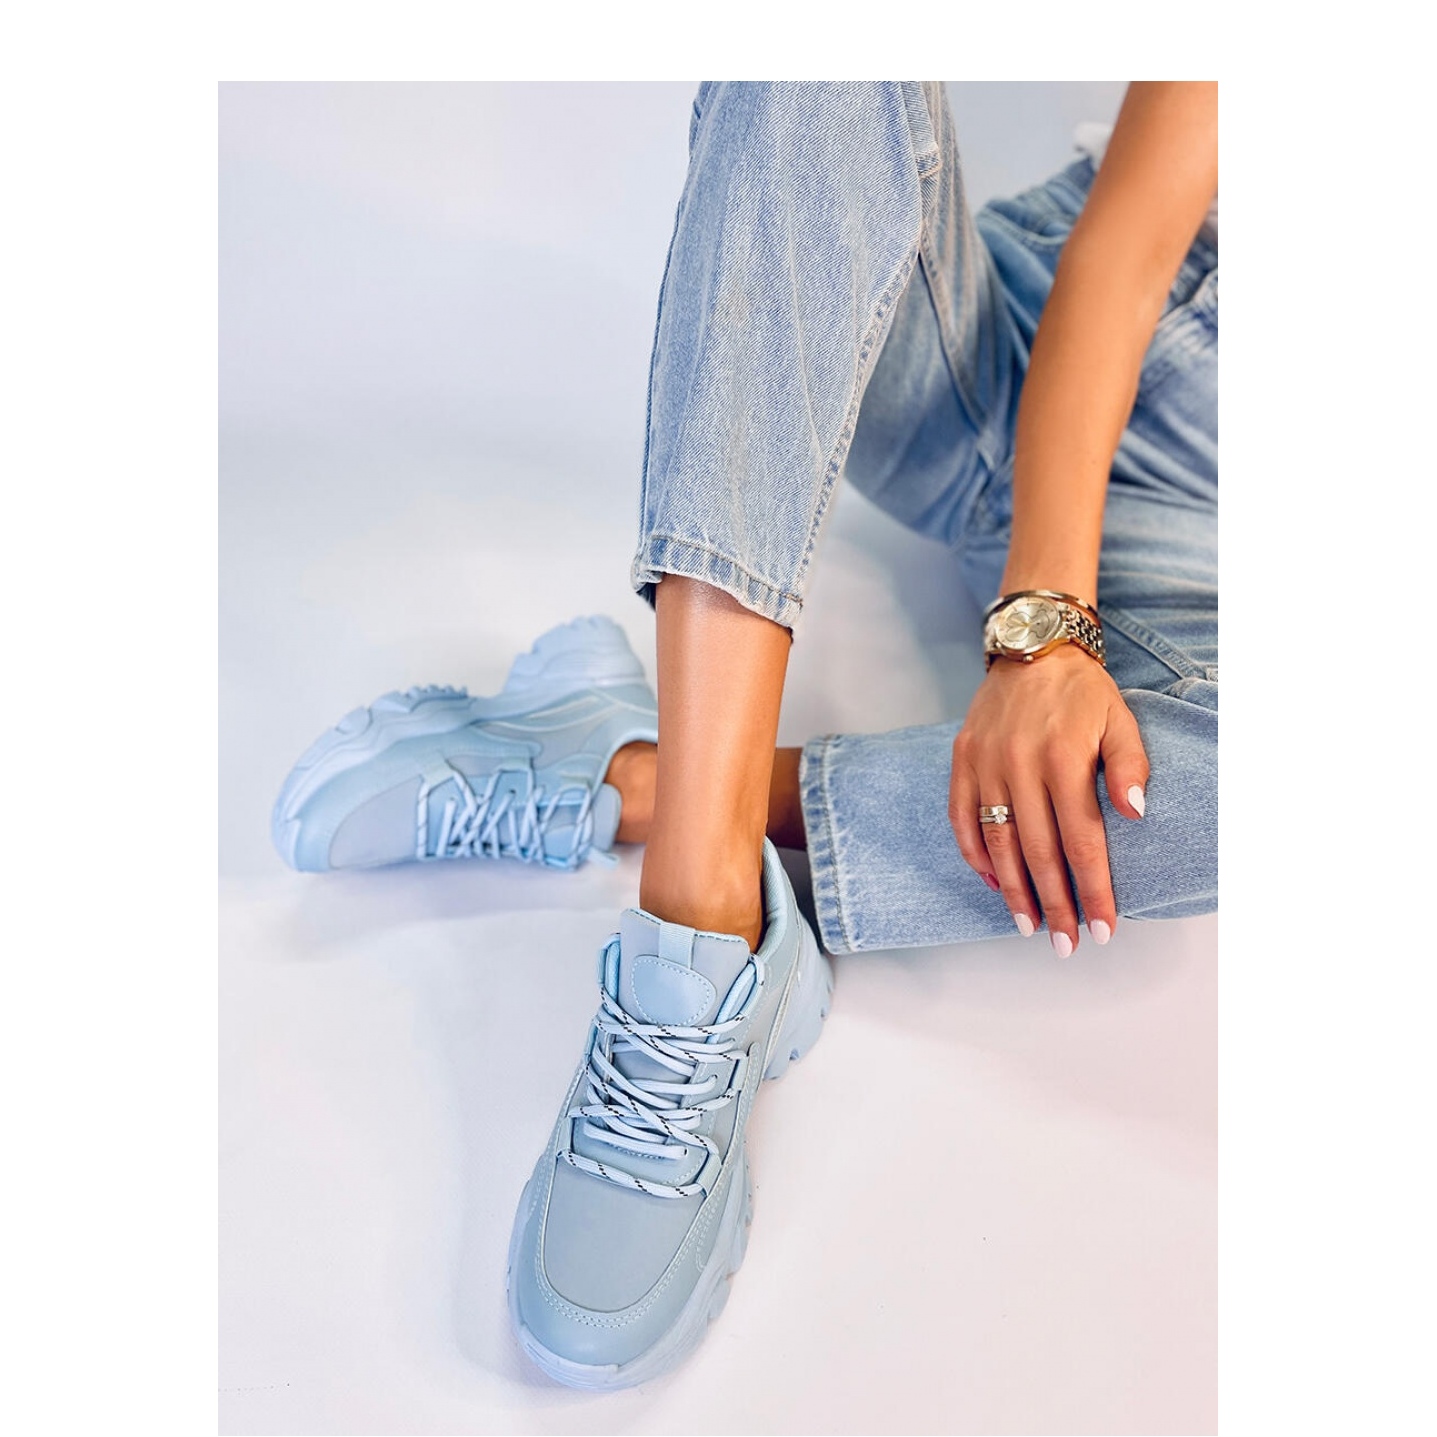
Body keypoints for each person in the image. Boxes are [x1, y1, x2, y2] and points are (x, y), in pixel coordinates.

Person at [272, 81, 1217, 1389]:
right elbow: (1127, 247)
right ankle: (701, 922)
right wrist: (1043, 628)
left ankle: (639, 777)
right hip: (1026, 338)